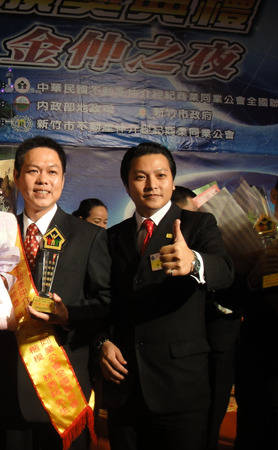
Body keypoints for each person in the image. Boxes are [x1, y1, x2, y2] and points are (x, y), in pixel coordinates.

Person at [97, 142, 233, 450]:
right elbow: (103, 301)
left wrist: (194, 262)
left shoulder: (198, 224)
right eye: (140, 177)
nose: (152, 185)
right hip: (125, 384)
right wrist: (101, 342)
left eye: (160, 175)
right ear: (127, 185)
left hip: (179, 385)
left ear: (172, 181)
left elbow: (225, 272)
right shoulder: (111, 237)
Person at [0, 136, 111, 450]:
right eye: (33, 171)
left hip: (64, 387)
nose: (43, 180)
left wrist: (69, 316)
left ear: (63, 180)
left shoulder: (89, 236)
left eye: (52, 172)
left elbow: (106, 303)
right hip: (9, 381)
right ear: (16, 177)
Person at [171, 185, 241, 450]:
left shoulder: (214, 240)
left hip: (220, 339)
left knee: (212, 416)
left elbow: (230, 281)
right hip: (179, 348)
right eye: (191, 214)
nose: (197, 221)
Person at [235, 166, 278, 450]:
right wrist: (254, 275)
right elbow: (230, 294)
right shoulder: (257, 230)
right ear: (274, 196)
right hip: (263, 357)